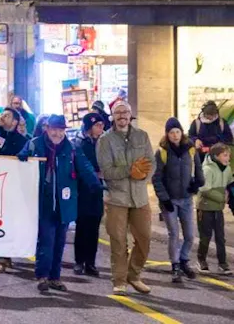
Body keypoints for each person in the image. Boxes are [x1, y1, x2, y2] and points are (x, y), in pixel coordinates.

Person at [19, 115, 101, 293]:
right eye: (54, 129)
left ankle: (55, 277)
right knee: (46, 241)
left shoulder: (71, 147)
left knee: (60, 242)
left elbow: (84, 165)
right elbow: (20, 162)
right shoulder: (35, 144)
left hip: (65, 203)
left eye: (61, 129)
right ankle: (42, 276)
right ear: (47, 129)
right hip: (44, 203)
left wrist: (94, 183)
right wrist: (22, 159)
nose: (57, 133)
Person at [96, 101, 154, 294]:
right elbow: (106, 171)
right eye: (118, 113)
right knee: (119, 241)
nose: (122, 116)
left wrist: (144, 175)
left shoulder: (142, 136)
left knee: (144, 238)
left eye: (125, 112)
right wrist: (130, 170)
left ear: (131, 115)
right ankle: (119, 280)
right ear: (112, 116)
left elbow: (151, 163)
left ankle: (134, 275)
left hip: (140, 197)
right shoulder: (105, 140)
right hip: (116, 198)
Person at [151, 118, 203, 282]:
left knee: (189, 235)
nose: (175, 135)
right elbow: (157, 178)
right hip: (170, 201)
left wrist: (197, 184)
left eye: (177, 132)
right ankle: (175, 266)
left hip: (186, 199)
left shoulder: (191, 150)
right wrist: (164, 199)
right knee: (174, 234)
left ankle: (184, 260)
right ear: (167, 134)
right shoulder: (162, 152)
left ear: (182, 133)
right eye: (171, 132)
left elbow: (199, 170)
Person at [0, 108, 27, 273]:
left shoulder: (22, 140)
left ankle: (7, 254)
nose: (3, 117)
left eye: (7, 115)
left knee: (9, 221)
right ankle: (0, 256)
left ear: (15, 122)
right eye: (2, 114)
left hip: (12, 186)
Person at [72, 113, 106, 278]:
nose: (101, 128)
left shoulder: (104, 142)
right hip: (83, 190)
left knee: (94, 227)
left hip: (98, 191)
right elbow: (79, 166)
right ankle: (79, 261)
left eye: (102, 125)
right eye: (97, 125)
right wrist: (94, 174)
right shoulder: (79, 143)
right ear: (89, 126)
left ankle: (90, 263)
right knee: (82, 226)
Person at [197, 142, 233, 275]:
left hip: (218, 208)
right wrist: (222, 198)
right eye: (225, 155)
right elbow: (205, 189)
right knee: (205, 236)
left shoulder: (227, 169)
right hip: (205, 208)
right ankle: (201, 260)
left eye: (228, 155)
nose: (228, 158)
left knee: (220, 236)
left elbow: (229, 183)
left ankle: (222, 263)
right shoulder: (208, 169)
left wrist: (229, 193)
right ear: (216, 156)